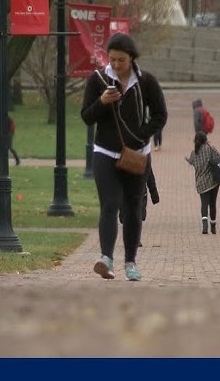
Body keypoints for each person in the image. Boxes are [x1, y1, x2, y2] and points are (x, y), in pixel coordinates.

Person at [80, 33, 168, 282]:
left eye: (121, 60)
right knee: (109, 204)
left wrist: (141, 137)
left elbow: (160, 115)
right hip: (105, 151)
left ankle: (130, 262)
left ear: (132, 58)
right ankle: (106, 259)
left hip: (137, 155)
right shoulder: (98, 80)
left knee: (132, 208)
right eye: (113, 60)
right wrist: (102, 102)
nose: (116, 65)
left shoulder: (146, 81)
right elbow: (87, 116)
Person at [185, 131, 220, 234]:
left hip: (201, 183)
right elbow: (219, 157)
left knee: (204, 203)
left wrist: (187, 159)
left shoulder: (194, 152)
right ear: (205, 139)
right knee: (213, 203)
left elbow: (191, 161)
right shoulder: (209, 148)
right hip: (213, 181)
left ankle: (204, 225)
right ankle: (213, 226)